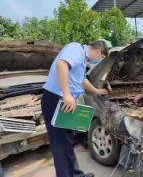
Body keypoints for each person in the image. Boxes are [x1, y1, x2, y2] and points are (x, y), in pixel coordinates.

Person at [41, 40, 109, 177]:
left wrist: (96, 90)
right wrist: (67, 94)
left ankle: (75, 174)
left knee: (68, 141)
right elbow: (62, 65)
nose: (98, 61)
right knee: (60, 144)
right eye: (101, 58)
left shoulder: (83, 60)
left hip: (66, 102)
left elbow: (82, 80)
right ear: (98, 52)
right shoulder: (76, 49)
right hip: (57, 100)